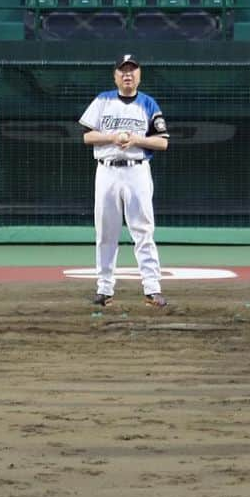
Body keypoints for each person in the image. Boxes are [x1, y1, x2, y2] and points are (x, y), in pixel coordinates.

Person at [79, 54, 170, 308]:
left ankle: (152, 288)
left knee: (143, 230)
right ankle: (104, 289)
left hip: (137, 170)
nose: (127, 74)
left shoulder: (148, 103)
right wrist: (112, 137)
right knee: (106, 231)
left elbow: (163, 142)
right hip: (106, 170)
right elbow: (87, 137)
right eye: (123, 70)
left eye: (132, 70)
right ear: (115, 75)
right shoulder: (103, 100)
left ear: (139, 75)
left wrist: (136, 140)